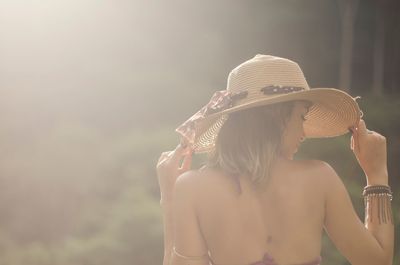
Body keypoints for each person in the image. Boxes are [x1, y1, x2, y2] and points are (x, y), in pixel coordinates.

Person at [156, 55, 394, 265]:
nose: (303, 132)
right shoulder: (319, 177)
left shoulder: (191, 187)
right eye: (301, 117)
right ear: (277, 115)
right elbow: (378, 261)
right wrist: (376, 174)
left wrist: (169, 199)